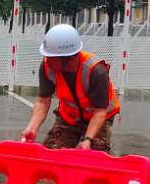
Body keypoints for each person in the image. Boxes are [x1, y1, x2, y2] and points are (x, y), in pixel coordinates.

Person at [21, 24, 121, 152]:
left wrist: (88, 139)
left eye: (52, 58)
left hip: (99, 118)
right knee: (54, 154)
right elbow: (43, 102)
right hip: (69, 117)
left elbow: (99, 112)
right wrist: (31, 129)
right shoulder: (47, 66)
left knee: (92, 158)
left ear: (69, 59)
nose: (47, 60)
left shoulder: (95, 71)